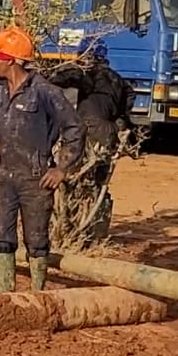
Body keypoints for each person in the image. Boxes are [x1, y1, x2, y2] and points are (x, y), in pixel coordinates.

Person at [0, 26, 84, 292]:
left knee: (37, 239)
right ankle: (5, 294)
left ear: (11, 60)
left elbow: (75, 128)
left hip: (36, 179)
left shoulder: (45, 92)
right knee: (0, 237)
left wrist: (62, 168)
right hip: (1, 175)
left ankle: (37, 295)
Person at [45, 39, 134, 247]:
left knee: (73, 175)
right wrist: (120, 123)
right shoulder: (118, 79)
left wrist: (47, 74)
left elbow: (59, 79)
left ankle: (71, 228)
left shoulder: (86, 74)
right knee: (99, 181)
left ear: (87, 56)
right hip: (109, 131)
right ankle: (95, 232)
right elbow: (129, 99)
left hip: (87, 128)